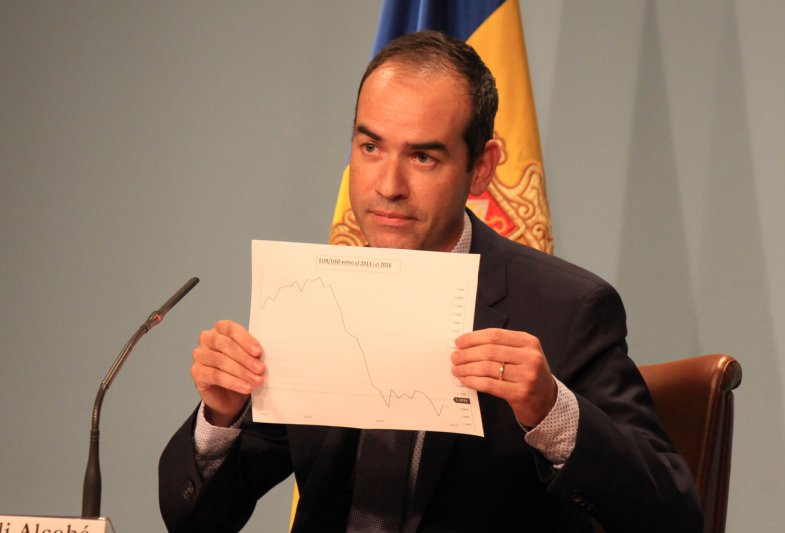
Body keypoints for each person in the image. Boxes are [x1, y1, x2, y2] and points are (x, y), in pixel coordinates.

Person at [159, 30, 701, 532]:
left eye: (422, 156)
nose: (388, 186)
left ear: (482, 167)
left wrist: (550, 411)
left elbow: (674, 516)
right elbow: (194, 521)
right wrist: (221, 419)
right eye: (371, 148)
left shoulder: (568, 308)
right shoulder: (317, 296)